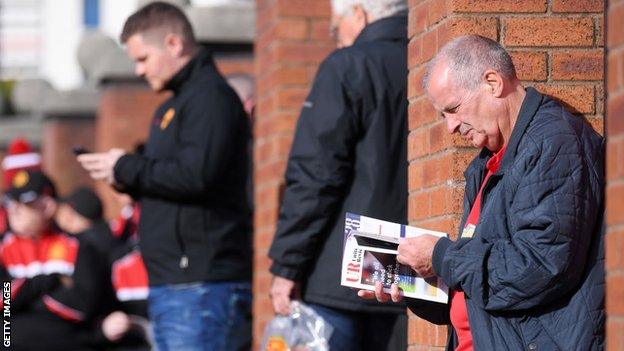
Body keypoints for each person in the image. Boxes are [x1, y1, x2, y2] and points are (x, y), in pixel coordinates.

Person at [361, 35, 605, 351]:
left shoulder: (554, 142)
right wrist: (420, 284)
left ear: (492, 83)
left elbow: (541, 266)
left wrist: (441, 256)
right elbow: (485, 286)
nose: (450, 126)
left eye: (453, 109)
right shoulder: (488, 164)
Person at [76, 2, 252, 350]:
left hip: (200, 287)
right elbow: (177, 181)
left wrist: (127, 166)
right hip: (176, 285)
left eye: (143, 58)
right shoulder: (174, 104)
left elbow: (197, 175)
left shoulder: (209, 97)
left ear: (174, 44)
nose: (139, 71)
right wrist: (126, 179)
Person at [267, 1, 409, 350]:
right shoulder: (431, 58)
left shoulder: (348, 65)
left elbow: (316, 175)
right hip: (410, 267)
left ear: (359, 14)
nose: (336, 38)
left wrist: (287, 265)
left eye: (335, 27)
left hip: (339, 272)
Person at [1, 170, 106, 350]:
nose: (14, 209)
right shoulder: (3, 248)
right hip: (10, 342)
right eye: (10, 202)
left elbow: (82, 307)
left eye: (25, 202)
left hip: (66, 343)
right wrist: (49, 282)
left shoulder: (77, 247)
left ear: (48, 206)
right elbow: (3, 300)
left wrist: (22, 299)